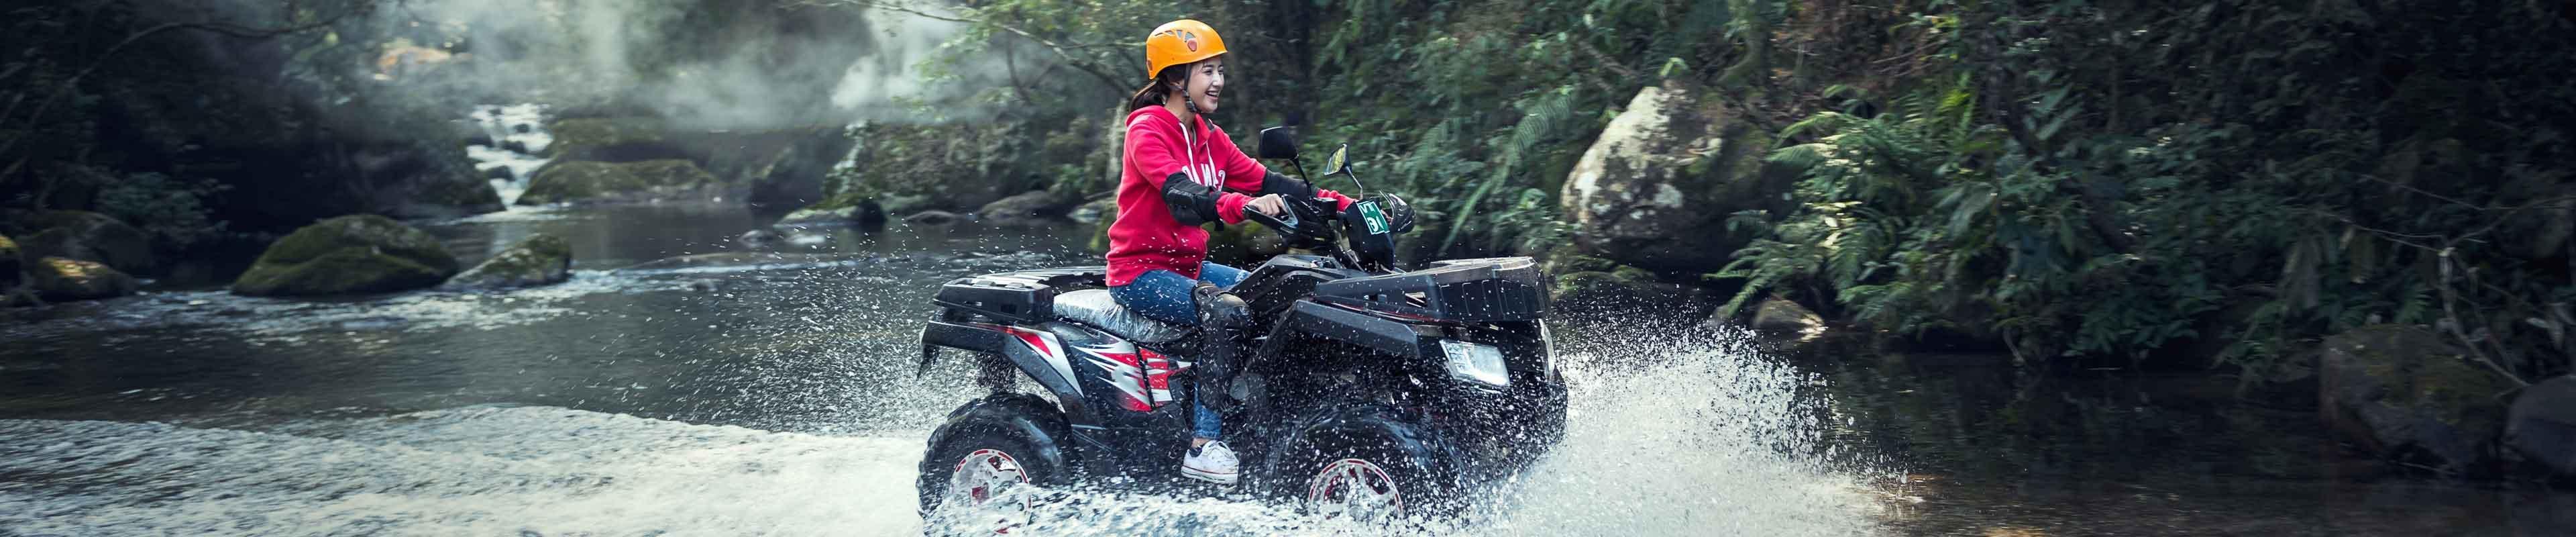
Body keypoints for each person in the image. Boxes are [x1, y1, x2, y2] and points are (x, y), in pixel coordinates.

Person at [1108, 19, 1355, 485]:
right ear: (1175, 78)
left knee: (1286, 289)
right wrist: (1241, 206)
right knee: (1228, 312)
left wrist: (1349, 207)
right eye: (1207, 71)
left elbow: (1272, 183)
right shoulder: (1147, 130)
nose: (1218, 81)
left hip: (1188, 266)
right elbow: (1182, 194)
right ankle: (1203, 446)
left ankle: (1266, 416)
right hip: (1139, 273)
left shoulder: (1207, 134)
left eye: (1220, 70)